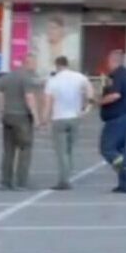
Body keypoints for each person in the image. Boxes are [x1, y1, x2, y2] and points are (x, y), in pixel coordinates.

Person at [43, 56, 91, 190]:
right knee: (70, 150)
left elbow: (48, 103)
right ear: (67, 64)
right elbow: (90, 90)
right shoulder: (79, 77)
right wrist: (87, 107)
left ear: (57, 66)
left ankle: (64, 180)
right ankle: (68, 174)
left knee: (61, 151)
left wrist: (44, 119)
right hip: (75, 117)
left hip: (59, 118)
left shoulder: (52, 81)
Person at [0, 65, 44, 190]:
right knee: (25, 149)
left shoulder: (5, 78)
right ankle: (21, 181)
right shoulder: (26, 78)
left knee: (8, 151)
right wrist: (36, 117)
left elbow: (1, 96)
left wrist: (3, 111)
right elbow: (29, 97)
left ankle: (6, 181)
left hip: (8, 116)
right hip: (22, 117)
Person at [97, 49, 126, 193]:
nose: (107, 64)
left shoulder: (118, 75)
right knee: (120, 150)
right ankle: (124, 184)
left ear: (114, 61)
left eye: (108, 61)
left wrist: (99, 101)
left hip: (118, 118)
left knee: (107, 148)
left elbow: (115, 95)